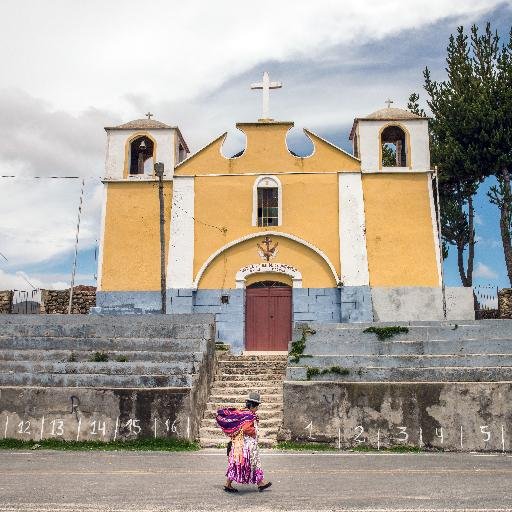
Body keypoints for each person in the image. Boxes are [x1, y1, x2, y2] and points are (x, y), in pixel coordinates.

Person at [216, 392, 272, 493]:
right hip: (245, 445)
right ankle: (259, 483)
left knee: (238, 463)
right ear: (253, 406)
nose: (257, 408)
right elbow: (246, 429)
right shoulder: (249, 415)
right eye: (257, 406)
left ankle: (259, 483)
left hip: (238, 444)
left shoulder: (242, 412)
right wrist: (254, 431)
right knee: (251, 462)